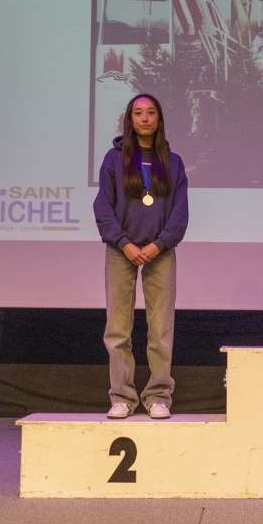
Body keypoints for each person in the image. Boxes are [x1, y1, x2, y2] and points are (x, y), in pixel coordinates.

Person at [94, 93, 189, 419]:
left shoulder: (173, 162)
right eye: (138, 113)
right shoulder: (114, 159)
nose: (145, 118)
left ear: (159, 119)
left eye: (150, 113)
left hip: (159, 252)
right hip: (121, 251)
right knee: (118, 328)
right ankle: (122, 396)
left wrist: (158, 244)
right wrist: (124, 243)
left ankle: (159, 396)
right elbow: (103, 207)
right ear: (130, 119)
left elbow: (179, 213)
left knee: (160, 328)